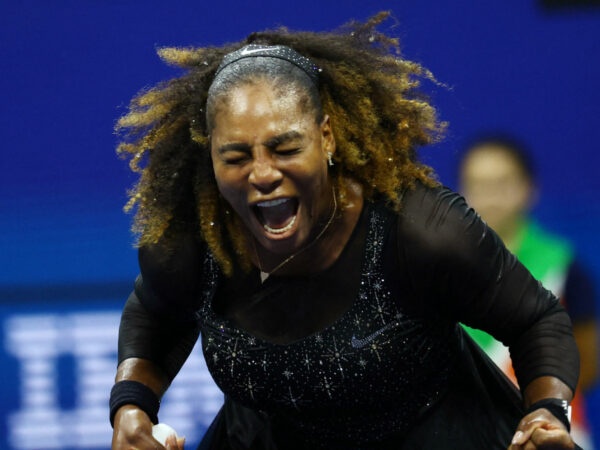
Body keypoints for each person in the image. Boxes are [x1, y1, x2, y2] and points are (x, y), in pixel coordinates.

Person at [109, 12, 581, 449]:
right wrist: (131, 407)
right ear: (210, 154)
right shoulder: (192, 242)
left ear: (326, 137)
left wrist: (545, 413)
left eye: (285, 147)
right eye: (235, 156)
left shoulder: (422, 232)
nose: (262, 173)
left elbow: (537, 321)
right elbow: (153, 317)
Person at [458, 134, 598, 449]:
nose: (490, 196)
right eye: (478, 185)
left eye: (502, 183)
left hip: (551, 434)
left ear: (529, 188)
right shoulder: (441, 269)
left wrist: (541, 405)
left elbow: (587, 364)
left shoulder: (564, 266)